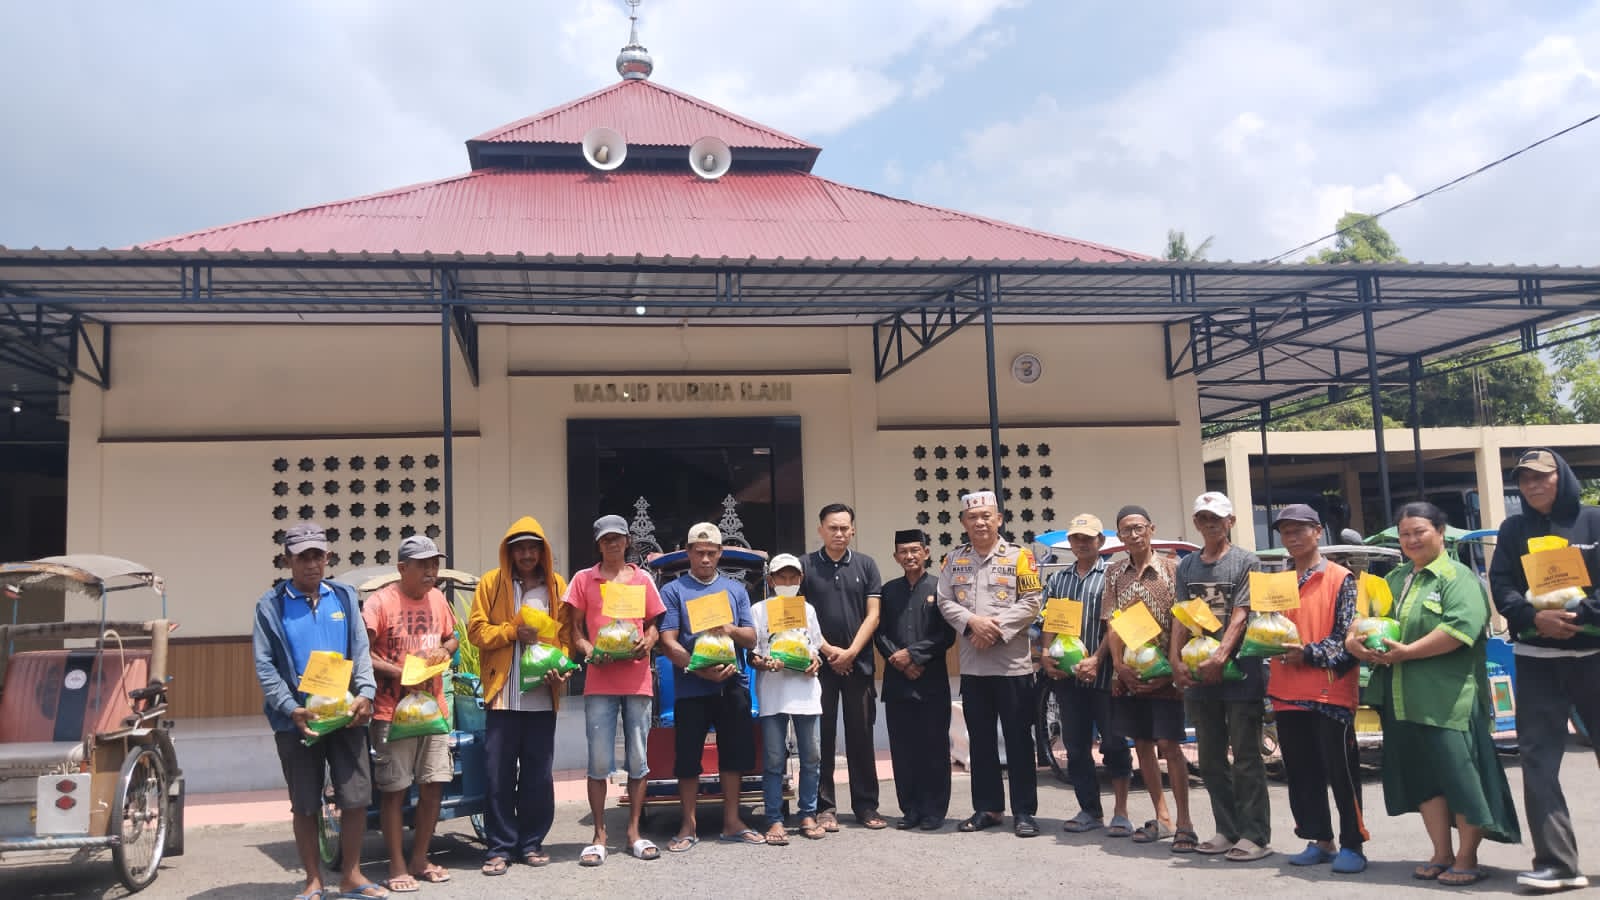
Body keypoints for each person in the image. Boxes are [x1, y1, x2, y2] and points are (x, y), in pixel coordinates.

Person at [1347, 501, 1520, 887]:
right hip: (1401, 697)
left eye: (1419, 532)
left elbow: (1460, 630)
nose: (1411, 540)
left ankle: (1467, 857)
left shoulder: (1457, 578)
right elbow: (1367, 617)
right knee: (1424, 779)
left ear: (1440, 533)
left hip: (1448, 699)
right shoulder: (1394, 579)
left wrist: (1407, 652)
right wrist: (1354, 640)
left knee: (1461, 779)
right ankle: (1441, 852)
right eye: (1404, 534)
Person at [252, 522, 385, 900]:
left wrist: (366, 694)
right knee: (306, 802)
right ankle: (313, 880)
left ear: (328, 557)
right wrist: (291, 707)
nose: (312, 564)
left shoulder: (343, 596)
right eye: (303, 557)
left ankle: (352, 875)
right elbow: (265, 665)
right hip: (297, 721)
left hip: (346, 714)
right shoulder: (270, 605)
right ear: (287, 560)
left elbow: (360, 650)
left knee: (356, 797)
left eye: (318, 556)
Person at [1488, 448, 1600, 892]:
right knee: (1537, 763)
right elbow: (1501, 585)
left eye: (1541, 476)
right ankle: (1557, 864)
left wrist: (1580, 615)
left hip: (1594, 657)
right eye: (1525, 479)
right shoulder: (1513, 529)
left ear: (1562, 477)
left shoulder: (1593, 522)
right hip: (1536, 661)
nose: (1532, 485)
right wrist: (1535, 618)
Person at [467, 517, 576, 875]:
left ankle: (531, 843)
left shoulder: (556, 586)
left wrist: (562, 666)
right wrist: (512, 632)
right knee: (497, 774)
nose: (527, 555)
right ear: (509, 552)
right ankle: (499, 847)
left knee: (538, 776)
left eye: (533, 548)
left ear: (542, 552)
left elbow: (566, 637)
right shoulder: (491, 583)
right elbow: (476, 631)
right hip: (503, 697)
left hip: (542, 697)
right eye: (520, 549)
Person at [1170, 492, 1272, 861]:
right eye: (1203, 518)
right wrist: (1175, 660)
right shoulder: (1186, 566)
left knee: (1246, 756)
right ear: (1196, 523)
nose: (1210, 524)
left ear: (1231, 521)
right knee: (1210, 757)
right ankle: (1226, 830)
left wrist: (1221, 655)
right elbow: (1181, 615)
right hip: (1199, 673)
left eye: (1217, 518)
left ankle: (1255, 835)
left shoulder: (1247, 561)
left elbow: (1242, 613)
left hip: (1241, 670)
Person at [937, 490, 1044, 838]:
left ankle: (1024, 811)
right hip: (974, 667)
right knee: (980, 742)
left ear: (999, 519)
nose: (980, 522)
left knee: (1018, 740)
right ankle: (988, 808)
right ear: (963, 522)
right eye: (973, 517)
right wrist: (972, 623)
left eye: (986, 516)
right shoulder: (953, 560)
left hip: (1013, 667)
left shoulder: (1020, 557)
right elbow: (944, 601)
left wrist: (994, 629)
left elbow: (1032, 601)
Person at [1267, 504, 1368, 874]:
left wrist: (1307, 654)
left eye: (1299, 529)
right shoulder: (1276, 582)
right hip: (1285, 690)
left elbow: (1348, 639)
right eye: (1285, 531)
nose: (1292, 537)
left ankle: (1353, 844)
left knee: (1341, 773)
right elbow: (1266, 629)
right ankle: (1320, 840)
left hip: (1330, 693)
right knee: (1301, 772)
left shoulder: (1343, 578)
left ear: (1318, 531)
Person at [562, 514, 666, 866]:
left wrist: (648, 641)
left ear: (627, 541)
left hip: (637, 680)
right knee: (598, 760)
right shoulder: (583, 579)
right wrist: (589, 650)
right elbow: (574, 629)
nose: (612, 543)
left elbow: (654, 624)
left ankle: (634, 831)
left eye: (618, 538)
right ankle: (599, 835)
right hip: (600, 681)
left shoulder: (642, 579)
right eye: (606, 539)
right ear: (598, 544)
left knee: (638, 757)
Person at [659, 522, 764, 850]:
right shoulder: (673, 591)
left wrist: (729, 629)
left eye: (711, 552)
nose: (705, 558)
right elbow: (667, 642)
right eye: (699, 552)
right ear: (688, 553)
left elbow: (751, 637)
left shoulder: (735, 590)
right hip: (691, 687)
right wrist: (697, 668)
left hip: (732, 684)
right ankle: (688, 825)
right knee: (688, 757)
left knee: (733, 754)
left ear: (719, 553)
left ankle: (732, 821)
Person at [363, 535, 458, 892]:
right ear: (402, 568)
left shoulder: (438, 599)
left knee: (433, 785)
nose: (431, 571)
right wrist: (399, 673)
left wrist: (445, 652)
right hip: (392, 712)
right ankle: (397, 866)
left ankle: (420, 858)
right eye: (423, 565)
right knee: (395, 789)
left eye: (434, 563)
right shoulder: (380, 602)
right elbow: (361, 652)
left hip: (433, 711)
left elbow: (452, 638)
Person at [1099, 505, 1191, 848]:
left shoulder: (1173, 568)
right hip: (1129, 673)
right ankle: (1162, 817)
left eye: (1139, 528)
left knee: (1170, 745)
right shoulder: (1114, 572)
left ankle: (1185, 822)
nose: (1134, 535)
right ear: (1119, 536)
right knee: (1141, 744)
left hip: (1165, 672)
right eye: (1126, 530)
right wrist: (1119, 666)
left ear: (1151, 528)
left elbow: (1182, 619)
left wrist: (1172, 666)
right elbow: (1112, 621)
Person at [1041, 513, 1133, 838]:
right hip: (1068, 679)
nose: (1081, 543)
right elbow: (1049, 622)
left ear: (1101, 541)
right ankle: (1090, 810)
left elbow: (1117, 624)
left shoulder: (1113, 576)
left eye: (1088, 538)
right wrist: (1045, 653)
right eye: (1076, 538)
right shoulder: (1058, 580)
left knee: (1114, 744)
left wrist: (1096, 659)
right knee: (1076, 746)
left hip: (1106, 676)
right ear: (1070, 542)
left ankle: (1121, 812)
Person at [799, 502, 886, 831]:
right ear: (820, 530)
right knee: (821, 738)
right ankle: (824, 807)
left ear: (853, 530)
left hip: (858, 665)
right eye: (832, 528)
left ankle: (866, 805)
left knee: (861, 737)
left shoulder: (866, 564)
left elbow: (873, 615)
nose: (839, 533)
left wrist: (850, 652)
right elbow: (798, 616)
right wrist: (829, 651)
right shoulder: (805, 566)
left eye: (844, 528)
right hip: (818, 667)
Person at [875, 529, 957, 831]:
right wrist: (897, 659)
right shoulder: (888, 591)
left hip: (931, 680)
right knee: (903, 750)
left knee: (934, 748)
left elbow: (946, 635)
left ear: (926, 553)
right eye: (903, 552)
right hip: (898, 682)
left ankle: (934, 811)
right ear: (896, 556)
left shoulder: (941, 588)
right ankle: (910, 809)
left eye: (915, 550)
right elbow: (879, 632)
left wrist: (913, 655)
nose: (909, 556)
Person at [750, 553, 829, 845]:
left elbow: (816, 647)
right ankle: (774, 818)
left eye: (792, 577)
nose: (787, 582)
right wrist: (765, 663)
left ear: (800, 579)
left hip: (806, 692)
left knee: (812, 757)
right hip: (773, 693)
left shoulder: (807, 610)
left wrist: (816, 662)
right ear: (771, 581)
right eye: (781, 577)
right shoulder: (759, 610)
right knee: (773, 759)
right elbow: (753, 654)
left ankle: (807, 814)